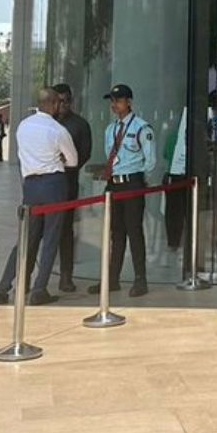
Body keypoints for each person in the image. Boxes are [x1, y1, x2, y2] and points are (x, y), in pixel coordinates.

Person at [0, 89, 78, 308]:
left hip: (30, 185)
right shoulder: (58, 130)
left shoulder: (23, 126)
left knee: (25, 239)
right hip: (53, 185)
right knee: (50, 239)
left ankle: (3, 286)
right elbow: (73, 161)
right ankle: (39, 289)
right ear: (55, 104)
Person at [91, 83, 155, 299]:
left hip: (133, 183)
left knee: (134, 232)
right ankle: (112, 278)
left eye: (118, 101)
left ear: (129, 102)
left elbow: (150, 161)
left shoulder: (141, 128)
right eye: (112, 101)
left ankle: (140, 279)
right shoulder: (111, 130)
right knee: (116, 233)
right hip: (114, 184)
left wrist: (137, 178)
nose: (114, 105)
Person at [52, 83, 93, 293]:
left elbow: (84, 154)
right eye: (58, 100)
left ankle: (66, 276)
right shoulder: (45, 123)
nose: (62, 105)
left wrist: (67, 162)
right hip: (45, 186)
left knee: (66, 231)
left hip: (68, 184)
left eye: (66, 100)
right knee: (39, 231)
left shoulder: (80, 125)